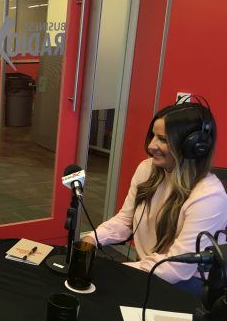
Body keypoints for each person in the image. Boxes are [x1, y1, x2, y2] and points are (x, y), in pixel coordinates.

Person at [82, 101, 227, 293]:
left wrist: (115, 272)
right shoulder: (147, 169)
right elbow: (126, 221)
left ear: (193, 146)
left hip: (187, 284)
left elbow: (176, 268)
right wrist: (92, 239)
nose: (151, 146)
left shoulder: (209, 197)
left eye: (163, 139)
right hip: (149, 269)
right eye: (153, 136)